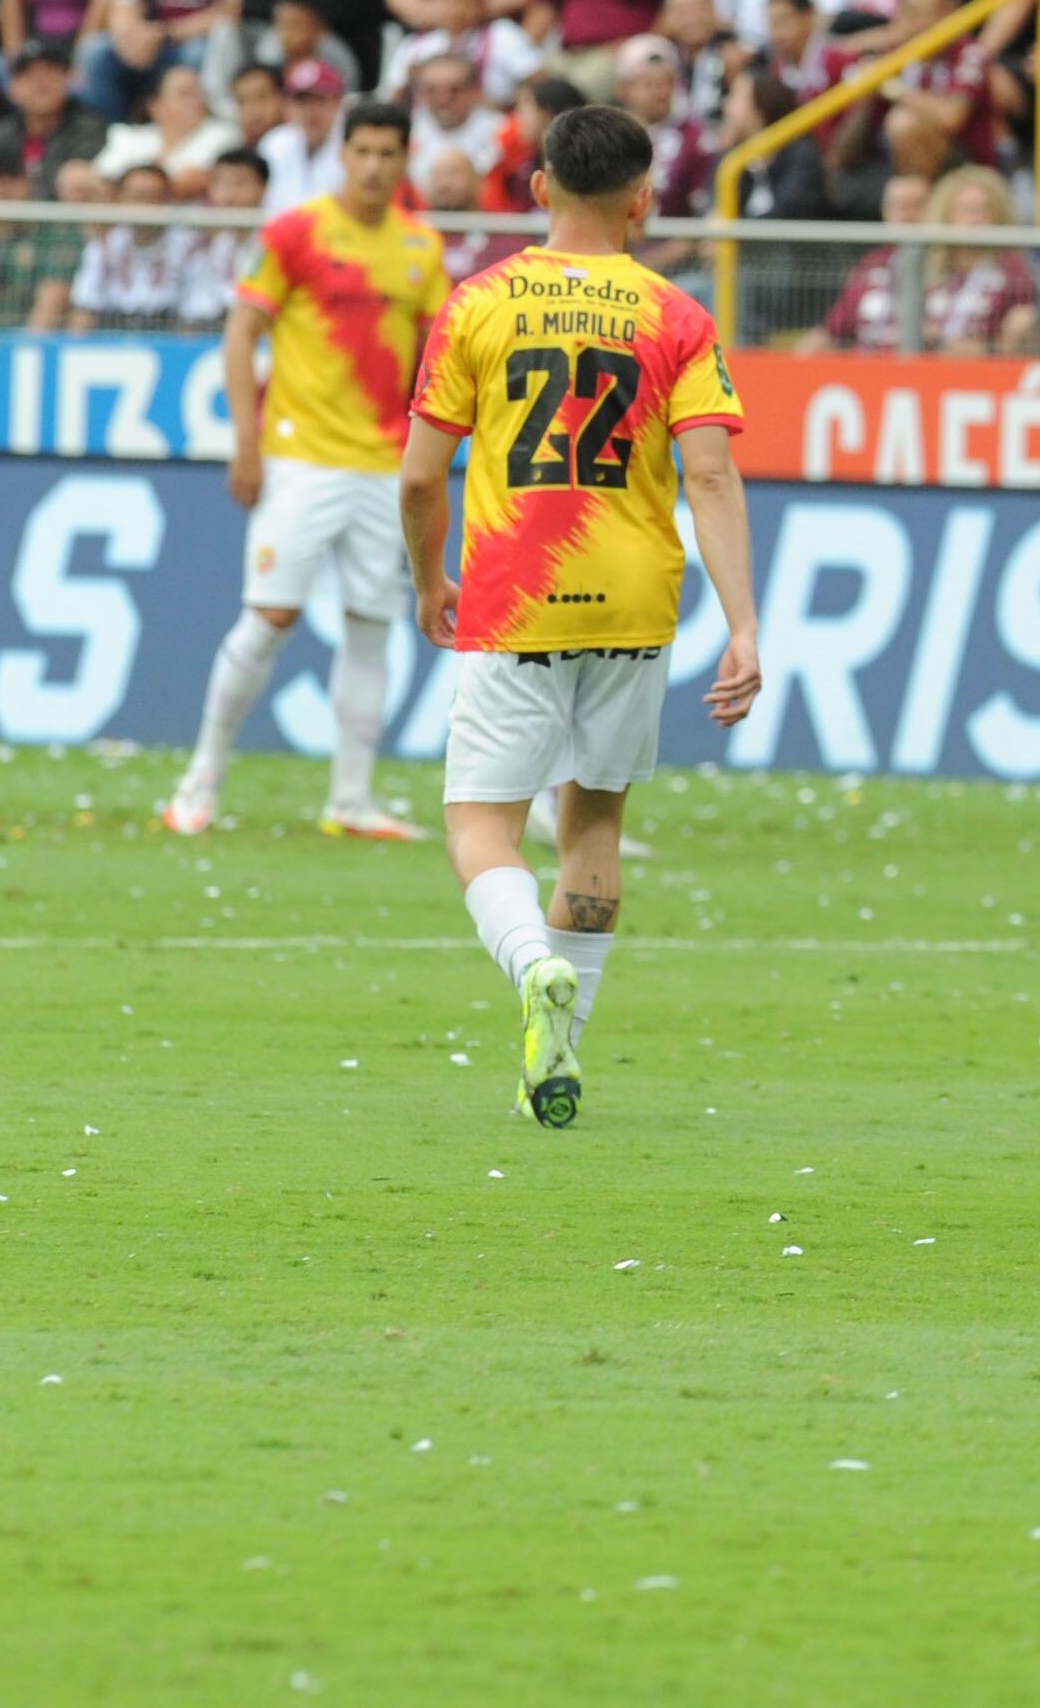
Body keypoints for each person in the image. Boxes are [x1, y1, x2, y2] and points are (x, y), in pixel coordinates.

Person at [398, 105, 765, 1129]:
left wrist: (427, 578)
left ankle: (531, 972)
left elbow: (422, 477)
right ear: (643, 199)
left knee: (479, 826)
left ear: (537, 188)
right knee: (593, 825)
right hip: (635, 600)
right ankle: (552, 1059)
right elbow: (713, 477)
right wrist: (743, 627)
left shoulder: (478, 304)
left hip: (515, 594)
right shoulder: (674, 315)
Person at [162, 96, 456, 844]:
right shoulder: (295, 233)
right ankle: (200, 780)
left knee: (369, 626)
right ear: (342, 155)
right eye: (362, 151)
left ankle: (351, 800)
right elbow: (241, 336)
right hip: (299, 456)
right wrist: (248, 441)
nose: (374, 166)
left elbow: (434, 364)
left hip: (384, 465)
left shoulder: (422, 248)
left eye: (389, 153)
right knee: (271, 616)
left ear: (404, 159)